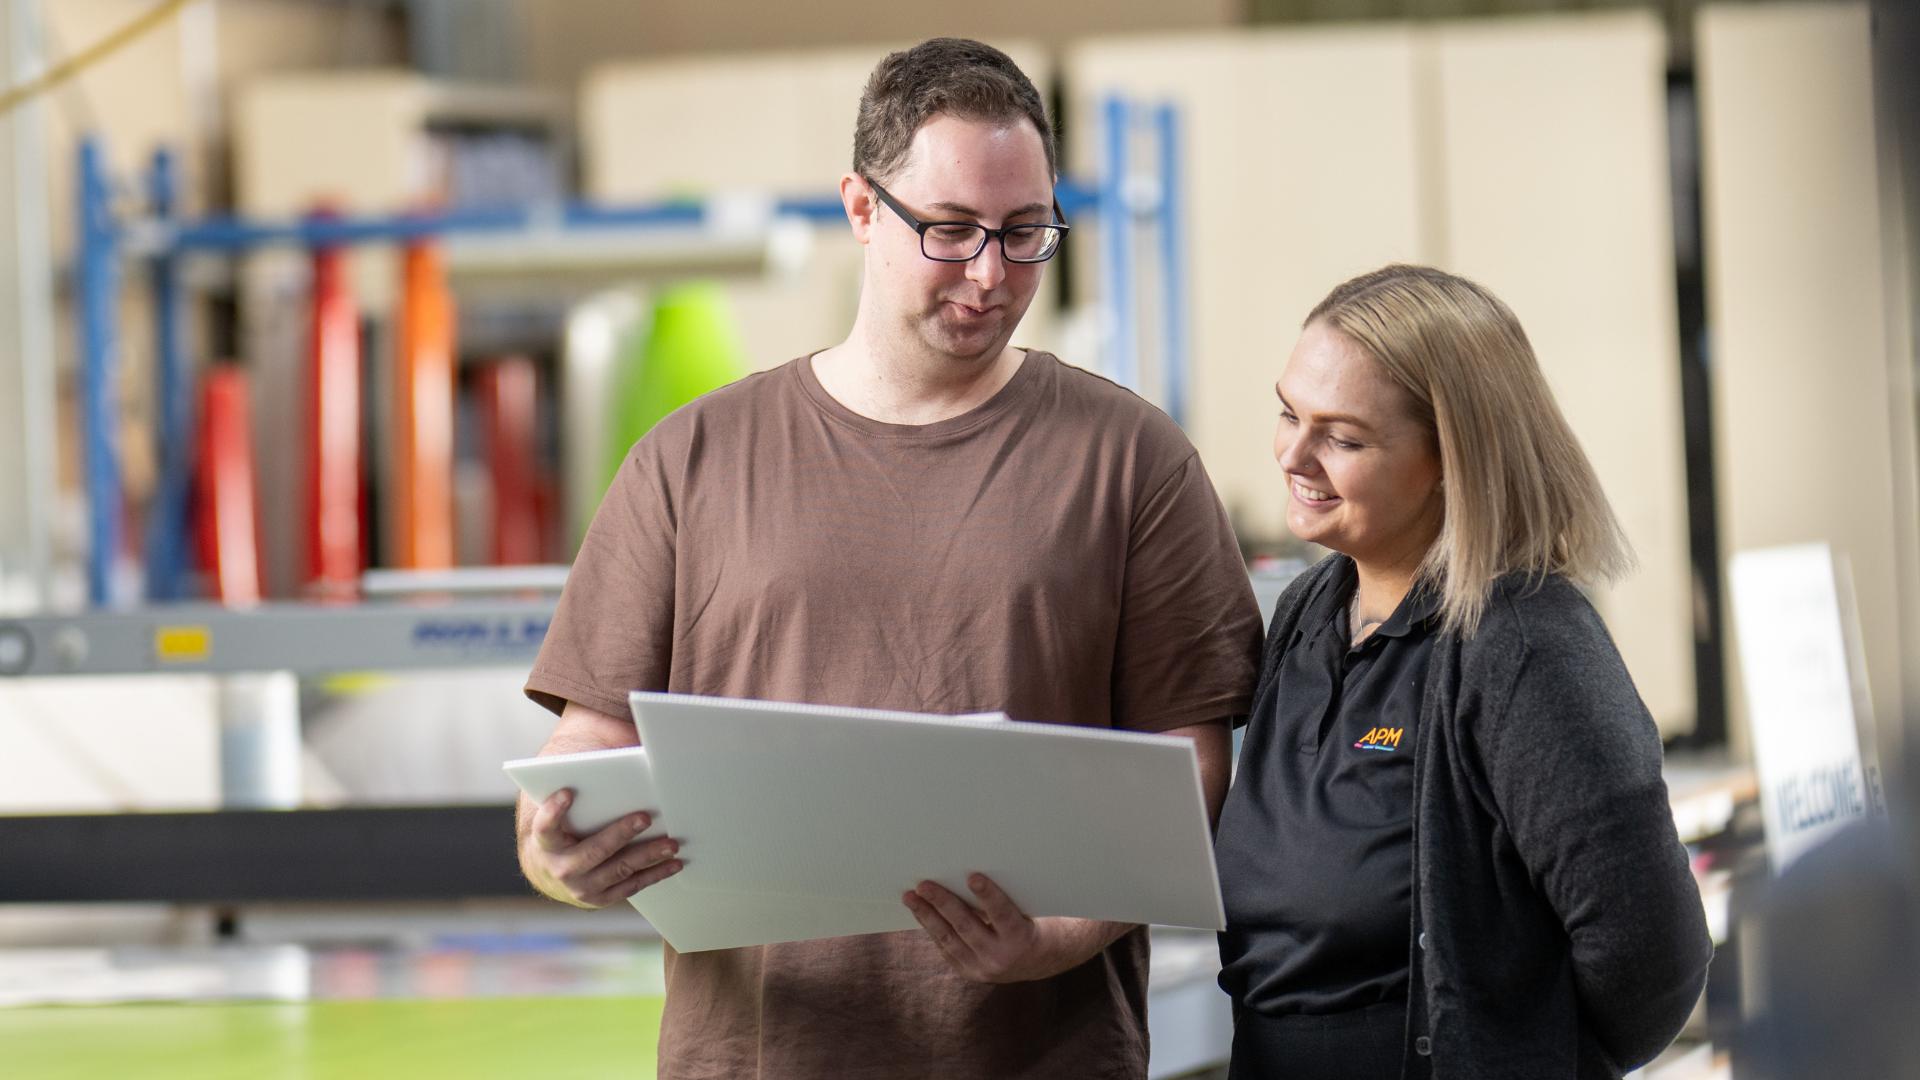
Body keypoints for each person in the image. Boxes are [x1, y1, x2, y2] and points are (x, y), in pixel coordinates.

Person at [516, 37, 1263, 1080]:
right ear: (862, 208)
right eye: (951, 231)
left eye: (1025, 232)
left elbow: (1190, 762)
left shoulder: (1132, 461)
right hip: (760, 1055)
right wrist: (556, 852)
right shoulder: (691, 460)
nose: (992, 275)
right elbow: (579, 762)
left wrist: (1056, 936)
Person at [1214, 264, 1712, 1079]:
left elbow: (1653, 955)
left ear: (1450, 458)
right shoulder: (1306, 612)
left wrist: (1515, 1054)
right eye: (1287, 412)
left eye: (1343, 438)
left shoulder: (1523, 644)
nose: (1294, 455)